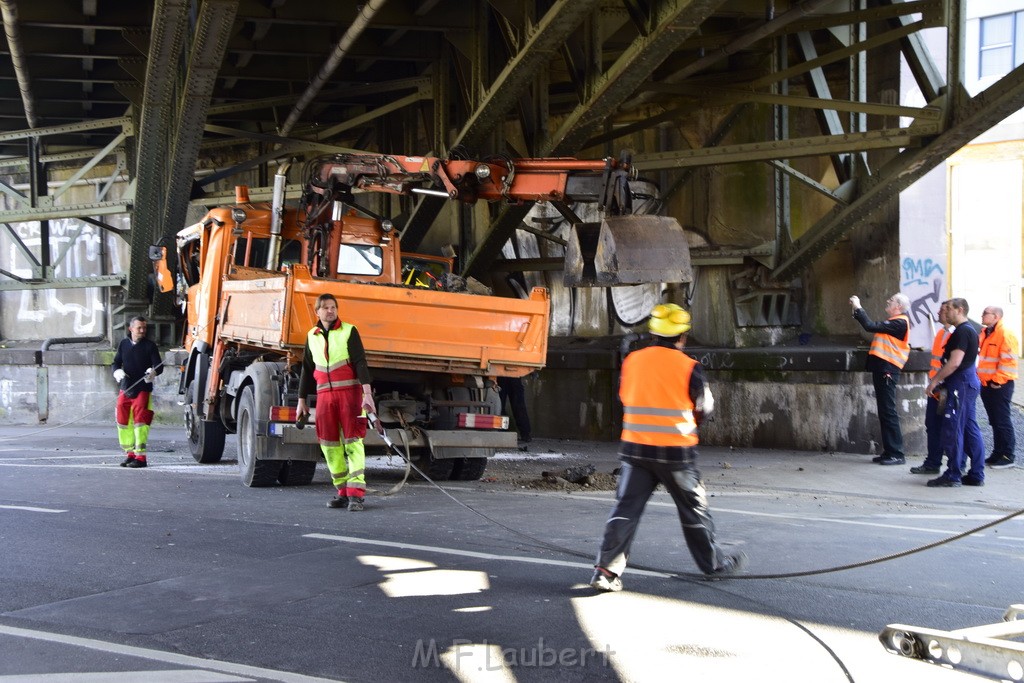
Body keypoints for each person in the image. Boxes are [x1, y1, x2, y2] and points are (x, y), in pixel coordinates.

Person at [590, 303, 746, 592]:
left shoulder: (632, 361)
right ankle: (712, 566)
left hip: (635, 452)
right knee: (694, 512)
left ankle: (605, 572)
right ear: (682, 336)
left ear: (653, 333)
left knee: (625, 511)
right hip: (676, 453)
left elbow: (624, 397)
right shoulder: (689, 367)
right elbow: (705, 407)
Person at [296, 293, 376, 511]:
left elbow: (361, 363)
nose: (330, 311)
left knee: (353, 442)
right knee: (329, 444)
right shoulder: (312, 336)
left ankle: (356, 495)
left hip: (350, 395)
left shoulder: (349, 331)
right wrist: (301, 400)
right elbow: (306, 369)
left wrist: (367, 394)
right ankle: (342, 491)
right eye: (326, 308)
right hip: (324, 397)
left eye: (333, 307)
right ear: (317, 311)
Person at [924, 298, 985, 487]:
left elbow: (955, 362)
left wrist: (934, 381)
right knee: (969, 428)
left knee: (954, 428)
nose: (945, 312)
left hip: (961, 384)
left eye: (949, 308)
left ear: (960, 310)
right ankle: (976, 473)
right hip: (967, 383)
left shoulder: (962, 332)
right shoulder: (967, 331)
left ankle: (953, 474)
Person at [850, 293, 911, 465]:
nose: (887, 302)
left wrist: (858, 306)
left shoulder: (899, 322)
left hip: (888, 370)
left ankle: (896, 453)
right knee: (885, 411)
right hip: (884, 369)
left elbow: (870, 326)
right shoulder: (896, 322)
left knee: (888, 411)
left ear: (898, 306)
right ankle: (890, 451)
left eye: (891, 301)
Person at [112, 315, 163, 468]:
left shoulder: (150, 346)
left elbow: (159, 365)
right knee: (122, 417)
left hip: (142, 388)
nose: (142, 331)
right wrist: (116, 371)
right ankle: (130, 453)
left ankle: (141, 458)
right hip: (126, 387)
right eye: (139, 328)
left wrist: (152, 372)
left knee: (140, 420)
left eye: (144, 328)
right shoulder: (123, 344)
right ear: (131, 329)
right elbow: (116, 362)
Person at [910, 300, 952, 475]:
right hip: (937, 387)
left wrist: (937, 382)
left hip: (947, 387)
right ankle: (933, 462)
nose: (938, 313)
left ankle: (955, 464)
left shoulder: (957, 334)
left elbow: (953, 363)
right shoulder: (942, 333)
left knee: (949, 426)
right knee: (933, 425)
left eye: (943, 310)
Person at [978, 305, 1019, 469]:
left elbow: (1009, 362)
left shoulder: (1005, 334)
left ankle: (1008, 455)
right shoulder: (986, 333)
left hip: (999, 384)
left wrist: (998, 381)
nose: (982, 316)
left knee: (1002, 420)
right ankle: (997, 452)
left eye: (985, 313)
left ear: (995, 316)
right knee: (994, 420)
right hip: (987, 383)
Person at [497, 375, 531, 444]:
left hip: (500, 374)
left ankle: (501, 433)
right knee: (518, 405)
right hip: (514, 374)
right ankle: (525, 434)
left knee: (499, 406)